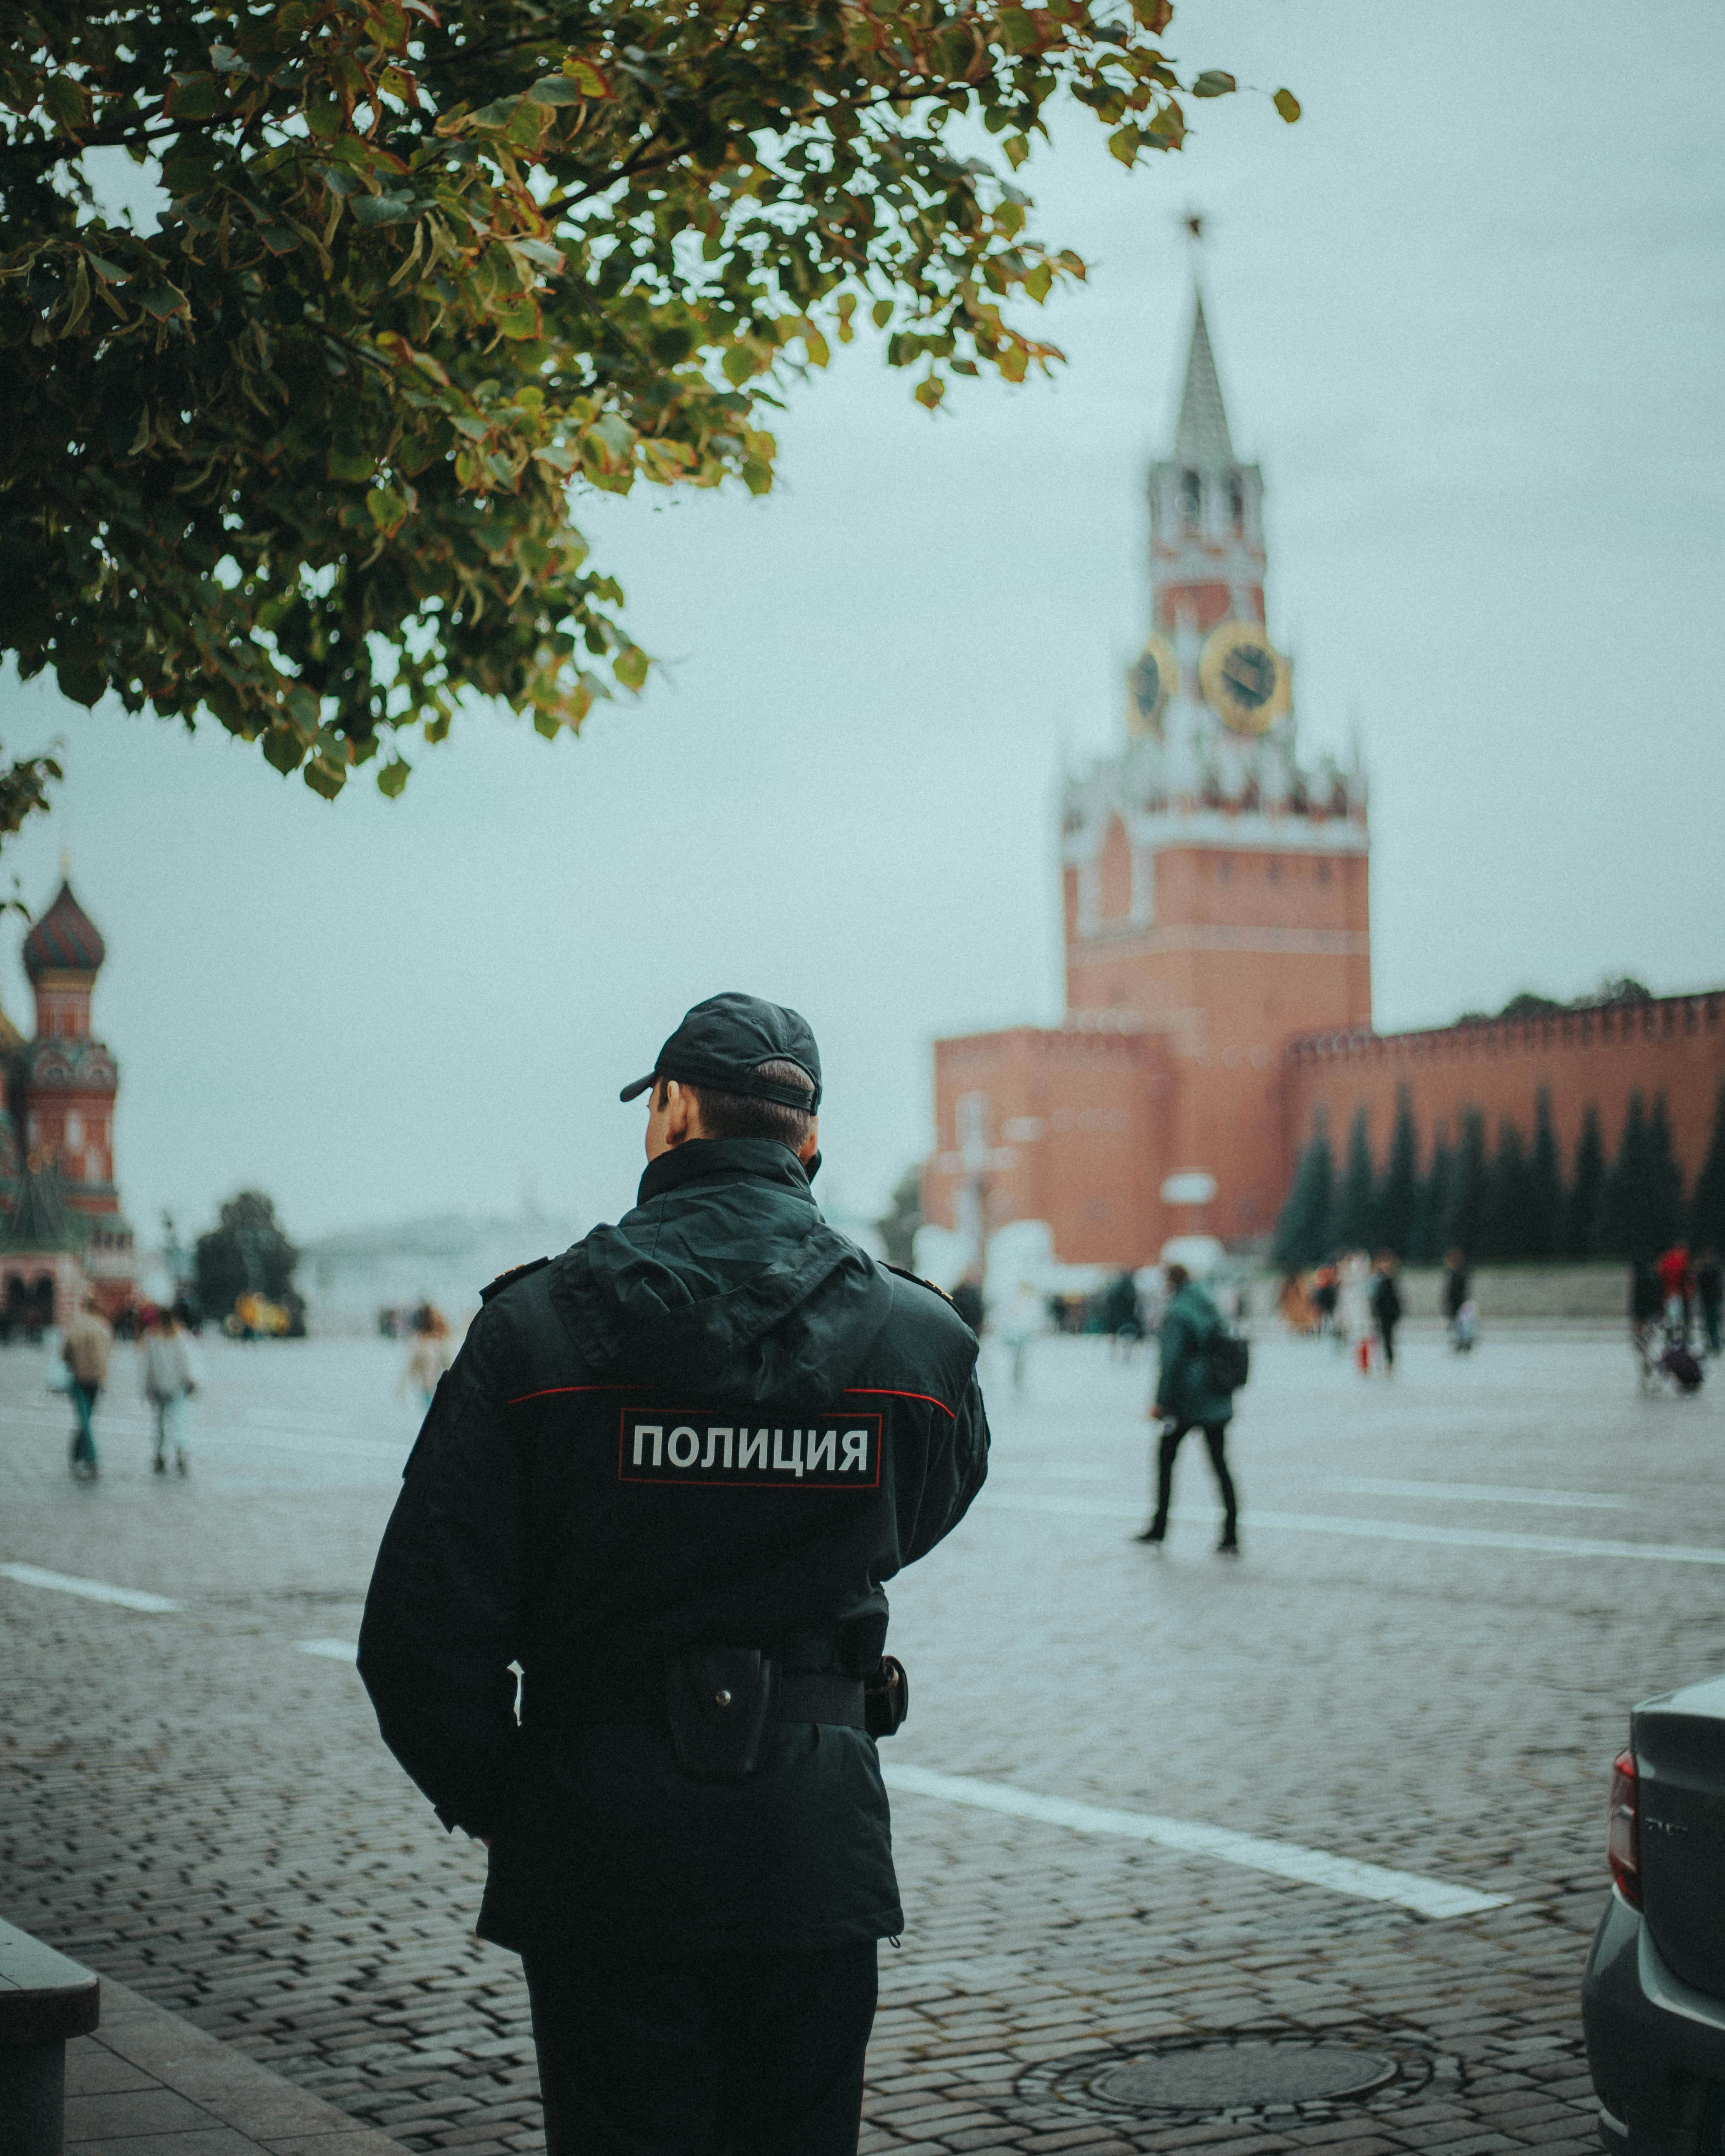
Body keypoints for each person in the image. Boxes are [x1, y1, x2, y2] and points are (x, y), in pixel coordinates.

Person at [357, 993, 990, 2156]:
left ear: (671, 1111)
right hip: (813, 1843)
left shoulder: (531, 1334)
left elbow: (418, 1637)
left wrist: (525, 1800)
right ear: (807, 1139)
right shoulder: (920, 1341)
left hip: (601, 1845)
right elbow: (925, 1511)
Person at [1135, 1262, 1239, 1554]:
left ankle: (1159, 1527)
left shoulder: (1177, 1312)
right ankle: (1231, 1533)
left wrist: (1160, 1401)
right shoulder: (1208, 1303)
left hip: (1188, 1399)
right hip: (1217, 1394)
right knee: (1220, 1464)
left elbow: (1170, 1361)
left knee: (1165, 1458)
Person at [141, 1301, 201, 1475]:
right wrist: (191, 1382)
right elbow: (185, 1362)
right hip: (177, 1386)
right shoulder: (180, 1336)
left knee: (159, 1423)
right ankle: (181, 1452)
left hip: (159, 1386)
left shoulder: (152, 1337)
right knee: (179, 1420)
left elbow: (148, 1366)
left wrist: (148, 1388)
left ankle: (159, 1455)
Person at [62, 1290, 114, 1481]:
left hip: (79, 1378)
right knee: (87, 1419)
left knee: (84, 1420)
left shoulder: (76, 1325)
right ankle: (83, 1457)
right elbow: (109, 1351)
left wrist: (71, 1363)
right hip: (97, 1379)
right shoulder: (104, 1326)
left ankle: (86, 1457)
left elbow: (66, 1351)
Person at [398, 1304, 452, 1409]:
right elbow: (411, 1365)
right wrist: (402, 1388)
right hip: (428, 1387)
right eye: (433, 1318)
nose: (436, 1321)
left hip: (441, 1386)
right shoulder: (421, 1342)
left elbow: (449, 1362)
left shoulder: (443, 1341)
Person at [1337, 1250, 1372, 1372]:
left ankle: (1364, 1365)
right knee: (1359, 1339)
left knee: (1363, 1339)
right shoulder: (1347, 1288)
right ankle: (1362, 1365)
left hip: (1361, 1315)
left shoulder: (1359, 1284)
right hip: (1355, 1316)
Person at [1369, 1253, 1403, 1373]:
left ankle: (1389, 1362)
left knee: (1388, 1339)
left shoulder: (1391, 1281)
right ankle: (1378, 1363)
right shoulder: (1375, 1280)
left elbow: (1396, 1299)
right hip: (1380, 1314)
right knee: (1378, 1339)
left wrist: (1397, 1313)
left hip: (1389, 1315)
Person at [1656, 1242, 1693, 1346]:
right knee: (1682, 1317)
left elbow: (1660, 1274)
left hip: (1669, 1293)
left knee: (1672, 1317)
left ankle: (1670, 1338)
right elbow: (1687, 1277)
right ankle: (1683, 1338)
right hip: (1680, 1294)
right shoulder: (1682, 1259)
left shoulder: (1665, 1260)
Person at [1697, 1248, 1724, 1359]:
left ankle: (1713, 1344)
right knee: (1715, 1323)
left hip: (1708, 1300)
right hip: (1714, 1300)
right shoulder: (1716, 1270)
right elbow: (1719, 1286)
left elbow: (1700, 1285)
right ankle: (1716, 1344)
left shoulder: (1704, 1271)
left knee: (1710, 1323)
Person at [1442, 1248, 1471, 1351]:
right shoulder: (1457, 1272)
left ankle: (1464, 1343)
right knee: (1458, 1324)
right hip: (1457, 1303)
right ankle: (1462, 1342)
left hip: (1458, 1303)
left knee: (1460, 1324)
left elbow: (1456, 1291)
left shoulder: (1458, 1273)